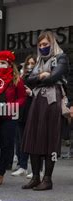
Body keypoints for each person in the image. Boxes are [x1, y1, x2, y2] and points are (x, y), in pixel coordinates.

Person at [21, 31, 69, 191]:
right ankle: (35, 177)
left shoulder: (61, 57)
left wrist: (41, 78)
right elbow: (27, 80)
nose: (42, 47)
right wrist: (42, 75)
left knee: (49, 137)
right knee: (33, 136)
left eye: (45, 44)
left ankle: (47, 179)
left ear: (52, 43)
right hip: (37, 101)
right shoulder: (38, 61)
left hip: (52, 100)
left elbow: (53, 78)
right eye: (40, 45)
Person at [0, 51, 26, 186]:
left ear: (9, 64)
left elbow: (22, 98)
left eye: (3, 63)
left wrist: (12, 106)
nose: (0, 65)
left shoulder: (17, 80)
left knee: (6, 145)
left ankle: (1, 173)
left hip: (9, 115)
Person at [12, 54, 36, 177]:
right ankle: (22, 166)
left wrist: (31, 93)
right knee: (21, 141)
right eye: (28, 63)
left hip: (33, 111)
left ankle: (37, 169)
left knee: (33, 141)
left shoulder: (38, 77)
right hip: (21, 111)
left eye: (33, 63)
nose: (30, 66)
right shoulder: (22, 77)